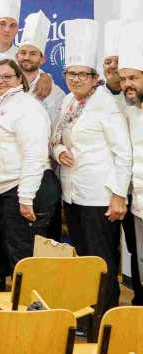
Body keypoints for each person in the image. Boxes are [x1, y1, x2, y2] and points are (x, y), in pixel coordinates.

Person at [51, 19, 130, 315]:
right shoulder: (68, 102)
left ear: (95, 77)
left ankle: (105, 316)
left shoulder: (105, 105)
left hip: (99, 196)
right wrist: (59, 151)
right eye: (71, 73)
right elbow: (55, 137)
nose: (76, 79)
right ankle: (88, 312)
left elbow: (123, 153)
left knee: (102, 259)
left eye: (83, 74)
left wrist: (118, 195)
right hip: (73, 195)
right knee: (84, 258)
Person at [0, 59, 57, 270]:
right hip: (4, 190)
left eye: (7, 76)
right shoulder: (0, 103)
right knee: (13, 252)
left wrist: (26, 198)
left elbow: (35, 155)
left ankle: (32, 293)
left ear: (20, 79)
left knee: (24, 256)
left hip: (23, 190)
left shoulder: (27, 107)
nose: (1, 80)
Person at [114, 19, 143, 305]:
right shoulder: (128, 112)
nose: (127, 85)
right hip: (138, 205)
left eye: (133, 78)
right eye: (123, 80)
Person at [15, 11, 64, 124]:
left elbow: (56, 126)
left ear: (42, 59)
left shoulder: (55, 93)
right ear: (17, 56)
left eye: (33, 54)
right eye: (23, 53)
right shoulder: (6, 83)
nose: (27, 57)